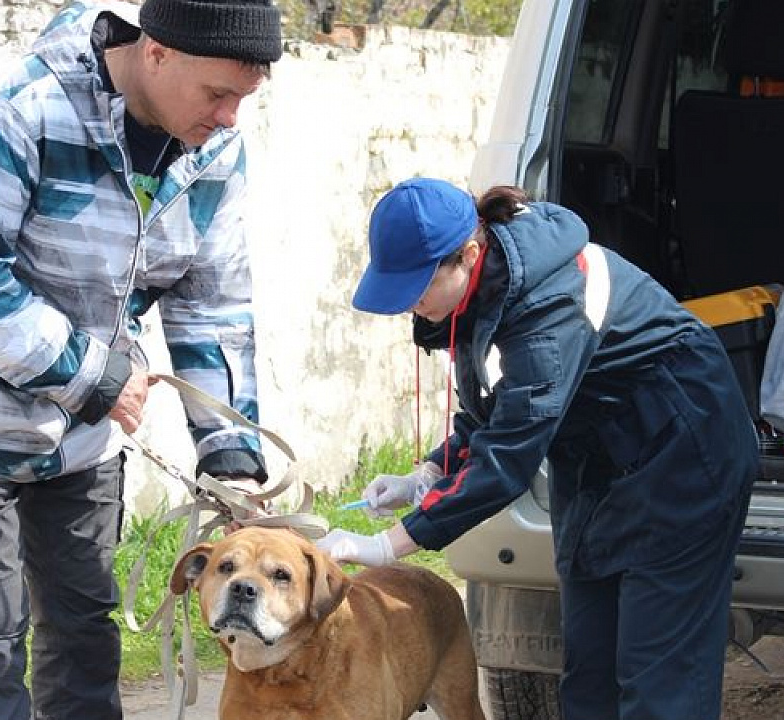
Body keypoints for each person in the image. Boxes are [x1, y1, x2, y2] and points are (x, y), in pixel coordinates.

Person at [0, 1, 282, 718]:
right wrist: (93, 377)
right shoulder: (9, 114)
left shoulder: (215, 152)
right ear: (155, 52)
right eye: (218, 94)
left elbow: (210, 302)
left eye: (243, 100)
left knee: (85, 647)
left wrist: (230, 456)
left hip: (82, 445)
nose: (229, 120)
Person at [318, 177, 759, 720]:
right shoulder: (486, 288)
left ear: (469, 255)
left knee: (658, 679)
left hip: (684, 458)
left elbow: (508, 460)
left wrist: (387, 547)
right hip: (599, 462)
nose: (412, 305)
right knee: (589, 675)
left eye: (418, 287)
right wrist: (430, 471)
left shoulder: (547, 309)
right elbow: (501, 407)